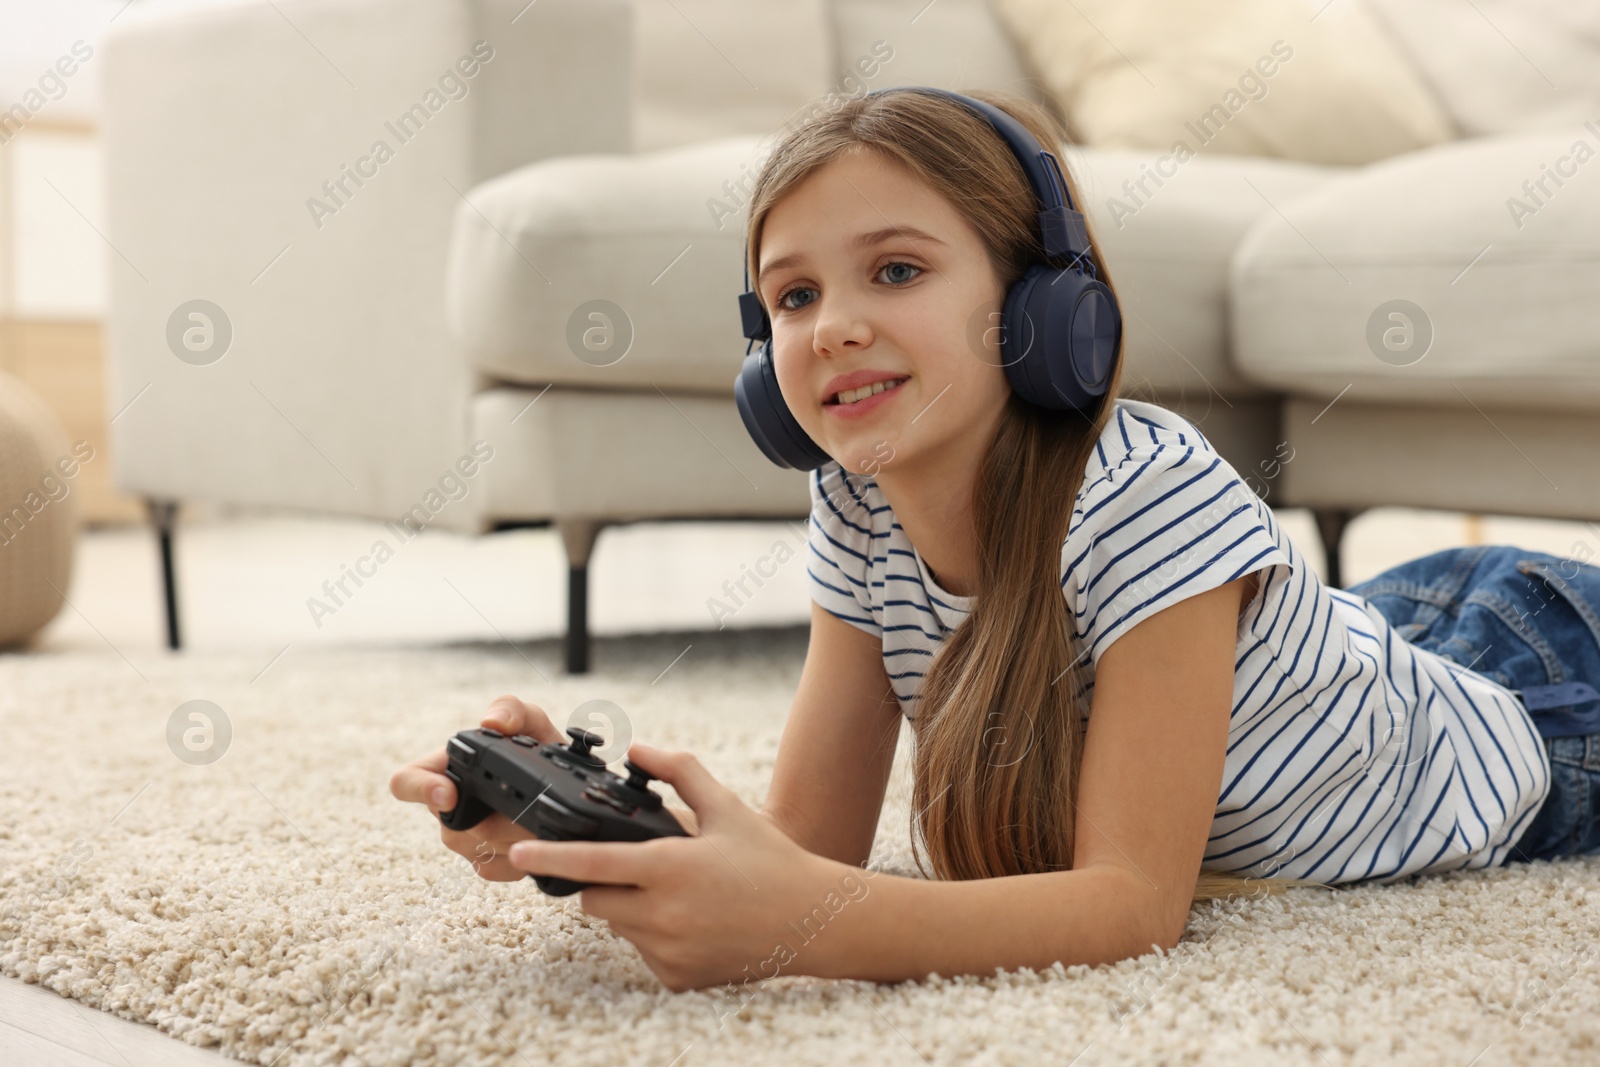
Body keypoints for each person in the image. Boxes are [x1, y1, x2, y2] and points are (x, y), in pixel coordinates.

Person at [391, 87, 1600, 992]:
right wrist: (597, 835)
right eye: (794, 297)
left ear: (1040, 306)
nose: (833, 328)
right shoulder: (856, 503)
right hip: (1360, 647)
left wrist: (808, 926)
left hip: (1537, 692)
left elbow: (1132, 908)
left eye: (897, 269)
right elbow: (806, 848)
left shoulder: (1146, 489)